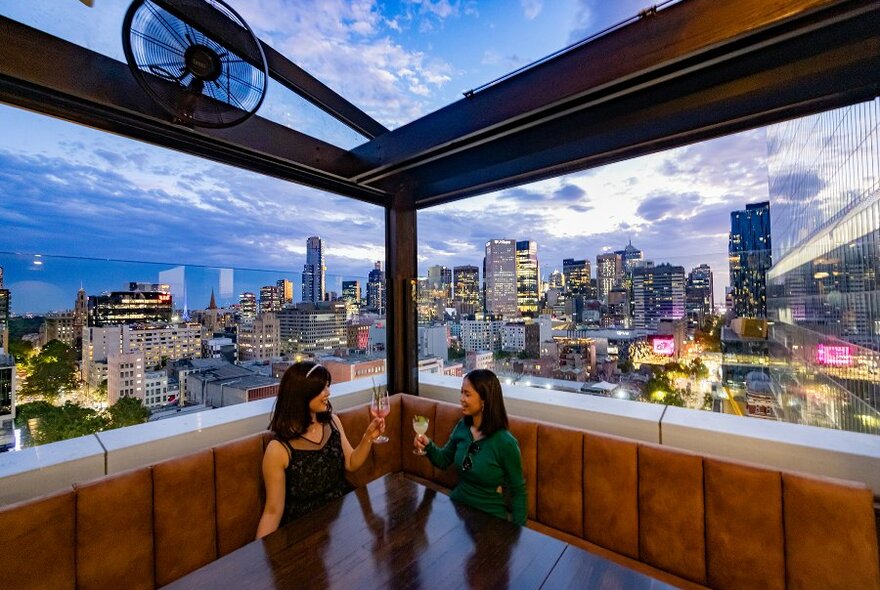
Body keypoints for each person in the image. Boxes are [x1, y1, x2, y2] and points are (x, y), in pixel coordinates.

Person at [256, 361, 385, 538]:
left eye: (328, 387)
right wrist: (260, 560)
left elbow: (351, 463)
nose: (328, 393)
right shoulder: (278, 450)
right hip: (305, 531)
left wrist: (368, 437)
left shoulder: (333, 422)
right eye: (322, 389)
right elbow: (272, 511)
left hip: (341, 520)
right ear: (302, 394)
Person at [413, 369, 526, 525]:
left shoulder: (505, 442)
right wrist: (427, 445)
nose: (461, 399)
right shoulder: (463, 427)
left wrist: (518, 532)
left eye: (467, 394)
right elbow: (443, 460)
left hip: (489, 518)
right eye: (461, 393)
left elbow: (518, 492)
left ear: (484, 399)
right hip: (458, 510)